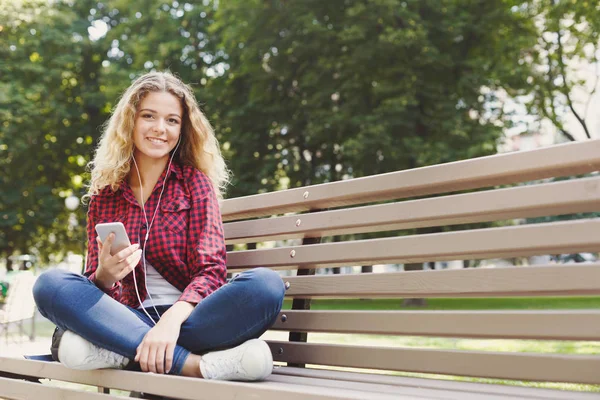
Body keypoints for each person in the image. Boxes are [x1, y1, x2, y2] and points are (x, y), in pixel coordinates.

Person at [33, 71, 285, 381]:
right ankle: (196, 365)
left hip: (191, 319)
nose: (159, 129)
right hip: (126, 316)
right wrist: (105, 275)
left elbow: (211, 272)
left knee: (266, 286)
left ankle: (120, 352)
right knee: (50, 284)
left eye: (172, 120)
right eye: (149, 116)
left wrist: (169, 323)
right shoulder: (105, 195)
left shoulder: (195, 184)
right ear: (131, 122)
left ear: (182, 129)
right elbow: (91, 289)